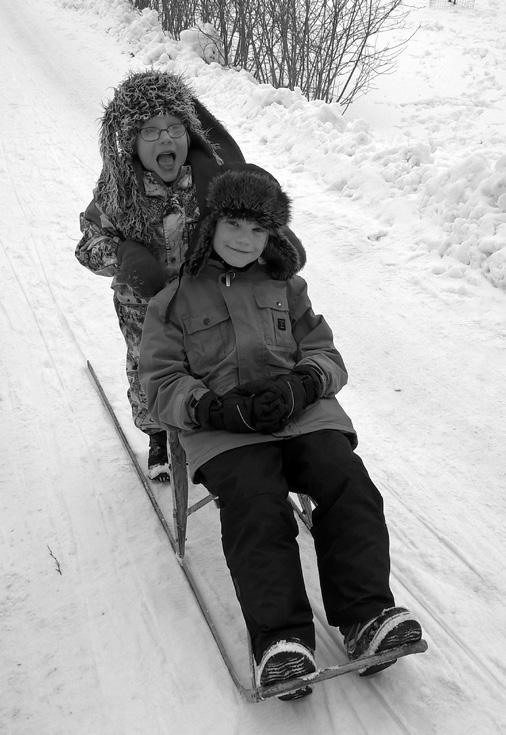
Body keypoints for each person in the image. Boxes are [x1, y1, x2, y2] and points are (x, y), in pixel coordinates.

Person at [138, 163, 423, 700]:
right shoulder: (171, 302)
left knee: (349, 483)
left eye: (258, 230)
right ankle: (281, 642)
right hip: (225, 429)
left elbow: (325, 353)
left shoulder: (287, 286)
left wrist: (303, 385)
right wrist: (213, 409)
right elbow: (160, 382)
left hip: (302, 415)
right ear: (211, 225)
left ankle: (367, 616)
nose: (246, 240)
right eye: (235, 226)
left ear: (273, 234)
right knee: (256, 504)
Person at [75, 69, 246, 481]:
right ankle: (156, 435)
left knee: (207, 364)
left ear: (190, 134)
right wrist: (122, 257)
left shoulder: (210, 182)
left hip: (203, 302)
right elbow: (87, 246)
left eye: (174, 128)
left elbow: (248, 225)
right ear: (132, 143)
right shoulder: (117, 191)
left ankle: (208, 426)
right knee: (147, 369)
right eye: (150, 132)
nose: (166, 139)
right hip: (144, 309)